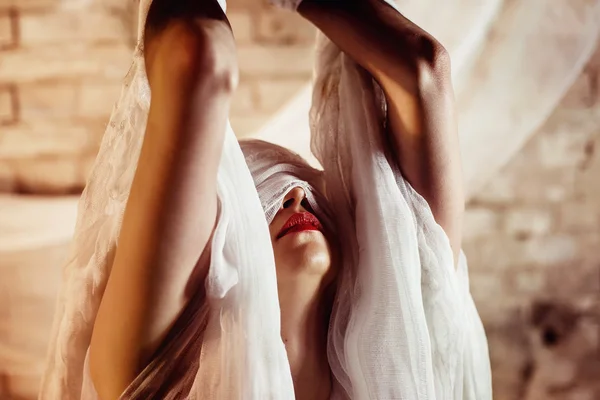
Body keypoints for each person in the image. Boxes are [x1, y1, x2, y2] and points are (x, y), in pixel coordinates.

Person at [59, 0, 479, 399]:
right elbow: (424, 69)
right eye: (265, 194)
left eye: (306, 191)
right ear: (214, 253)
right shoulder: (161, 368)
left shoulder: (399, 323)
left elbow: (426, 71)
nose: (296, 195)